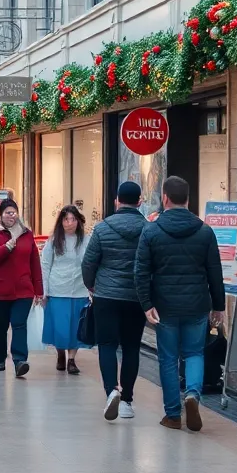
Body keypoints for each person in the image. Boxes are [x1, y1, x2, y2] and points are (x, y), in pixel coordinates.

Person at [134, 175, 225, 432]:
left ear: (165, 198)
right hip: (197, 304)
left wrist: (146, 304)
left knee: (168, 358)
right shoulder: (205, 231)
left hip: (164, 306)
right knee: (195, 352)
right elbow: (215, 272)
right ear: (188, 199)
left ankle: (173, 414)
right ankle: (193, 394)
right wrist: (218, 306)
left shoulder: (151, 231)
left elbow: (140, 272)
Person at [81, 181, 148, 422]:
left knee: (107, 345)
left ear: (117, 201)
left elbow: (88, 262)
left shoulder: (102, 228)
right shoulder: (148, 229)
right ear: (140, 201)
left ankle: (111, 391)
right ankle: (127, 401)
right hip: (136, 297)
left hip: (106, 296)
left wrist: (91, 285)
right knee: (131, 347)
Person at [0, 198, 43, 377]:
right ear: (1, 215)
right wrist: (6, 247)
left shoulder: (26, 234)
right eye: (8, 212)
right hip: (0, 291)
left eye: (14, 212)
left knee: (19, 324)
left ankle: (19, 361)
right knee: (0, 327)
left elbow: (34, 263)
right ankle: (0, 357)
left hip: (23, 290)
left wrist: (39, 290)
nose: (11, 215)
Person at [41, 204, 92, 375]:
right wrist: (44, 290)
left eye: (73, 219)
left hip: (79, 289)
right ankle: (60, 353)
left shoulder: (86, 240)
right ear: (61, 222)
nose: (70, 223)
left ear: (78, 221)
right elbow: (45, 265)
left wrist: (91, 287)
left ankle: (71, 359)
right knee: (60, 326)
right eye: (66, 219)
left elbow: (91, 263)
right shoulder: (53, 241)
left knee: (76, 326)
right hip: (58, 289)